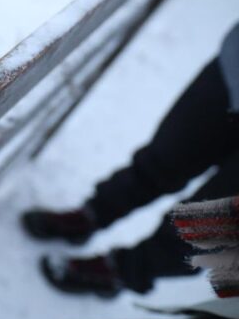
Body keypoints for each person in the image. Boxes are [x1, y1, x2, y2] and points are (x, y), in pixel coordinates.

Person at [21, 21, 239, 297]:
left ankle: (125, 270)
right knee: (165, 155)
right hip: (233, 73)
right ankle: (93, 214)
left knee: (210, 220)